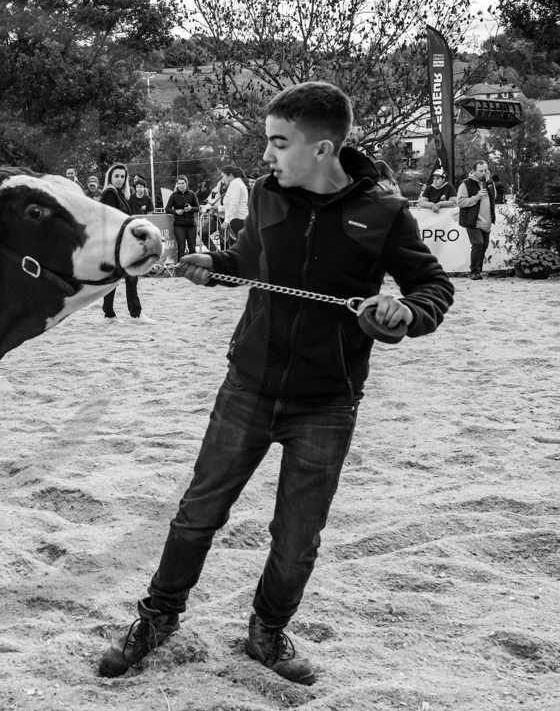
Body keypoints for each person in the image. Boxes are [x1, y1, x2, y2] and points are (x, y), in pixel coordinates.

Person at [98, 81, 454, 685]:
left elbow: (433, 289)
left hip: (328, 402)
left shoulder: (385, 214)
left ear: (321, 149)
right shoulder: (264, 197)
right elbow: (247, 264)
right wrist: (216, 267)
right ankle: (158, 618)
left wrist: (404, 315)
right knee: (196, 516)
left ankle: (266, 632)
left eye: (277, 142)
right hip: (249, 387)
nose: (266, 156)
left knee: (297, 538)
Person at [99, 162, 151, 323]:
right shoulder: (110, 193)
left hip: (119, 241)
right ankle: (132, 314)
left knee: (121, 278)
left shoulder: (118, 193)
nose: (120, 179)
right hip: (115, 242)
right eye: (117, 176)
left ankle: (113, 314)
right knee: (128, 277)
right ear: (110, 177)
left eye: (122, 176)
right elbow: (109, 219)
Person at [456, 160, 497, 280]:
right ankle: (474, 271)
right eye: (481, 171)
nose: (484, 173)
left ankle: (478, 270)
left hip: (487, 221)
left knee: (484, 246)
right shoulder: (465, 184)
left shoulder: (490, 182)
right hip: (472, 221)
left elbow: (493, 198)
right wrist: (476, 197)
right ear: (474, 171)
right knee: (478, 243)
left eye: (486, 170)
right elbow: (461, 202)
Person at [165, 177, 200, 260]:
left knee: (192, 248)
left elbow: (198, 208)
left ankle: (193, 266)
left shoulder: (192, 194)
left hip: (191, 225)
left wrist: (191, 208)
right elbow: (167, 209)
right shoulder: (174, 195)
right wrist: (176, 211)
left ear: (186, 184)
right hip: (179, 225)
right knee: (181, 248)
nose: (180, 185)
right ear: (177, 185)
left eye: (182, 183)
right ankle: (181, 268)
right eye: (179, 183)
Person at [221, 165, 249, 248]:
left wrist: (227, 220)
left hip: (237, 220)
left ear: (230, 175)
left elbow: (234, 204)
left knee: (237, 247)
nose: (222, 179)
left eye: (223, 176)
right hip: (240, 219)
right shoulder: (239, 183)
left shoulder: (235, 184)